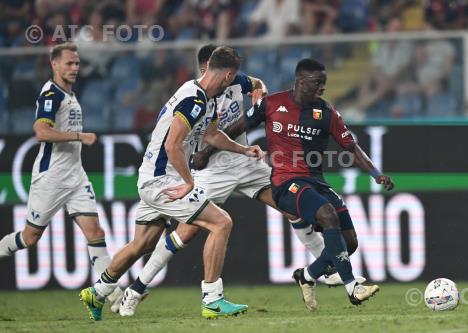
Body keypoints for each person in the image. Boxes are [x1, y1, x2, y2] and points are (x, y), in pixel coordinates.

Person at [117, 44, 366, 317]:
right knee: (187, 231)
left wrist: (260, 90)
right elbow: (199, 137)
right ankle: (137, 288)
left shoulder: (235, 81)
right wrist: (204, 154)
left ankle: (326, 270)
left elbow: (258, 83)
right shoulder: (200, 98)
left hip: (247, 165)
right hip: (214, 170)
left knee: (292, 202)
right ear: (204, 71)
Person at [79, 46, 264, 321]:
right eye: (233, 77)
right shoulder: (195, 100)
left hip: (154, 178)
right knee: (221, 222)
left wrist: (243, 149)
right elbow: (172, 144)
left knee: (142, 244)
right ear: (227, 76)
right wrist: (189, 182)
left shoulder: (207, 99)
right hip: (162, 181)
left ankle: (98, 291)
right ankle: (212, 299)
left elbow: (213, 136)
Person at [245, 58, 394, 310]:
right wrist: (209, 147)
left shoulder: (326, 112)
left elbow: (351, 147)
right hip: (285, 183)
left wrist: (376, 174)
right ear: (300, 81)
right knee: (327, 215)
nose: (322, 88)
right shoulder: (271, 104)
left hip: (316, 182)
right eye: (317, 83)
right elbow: (238, 126)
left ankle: (307, 276)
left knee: (350, 243)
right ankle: (352, 288)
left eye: (324, 83)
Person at [0, 42, 123, 310]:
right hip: (52, 177)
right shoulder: (51, 93)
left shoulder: (70, 94)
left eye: (77, 63)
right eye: (69, 63)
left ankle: (111, 295)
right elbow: (41, 132)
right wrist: (79, 135)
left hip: (75, 176)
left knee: (95, 231)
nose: (74, 68)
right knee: (30, 238)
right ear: (54, 64)